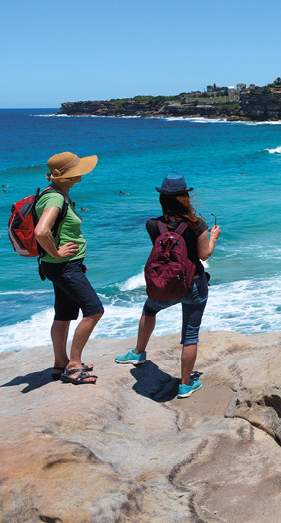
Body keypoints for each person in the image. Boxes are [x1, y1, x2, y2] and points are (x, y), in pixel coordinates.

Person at [115, 175, 221, 399]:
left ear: (162, 198)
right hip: (193, 286)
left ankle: (138, 353)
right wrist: (213, 238)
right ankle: (184, 384)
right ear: (185, 198)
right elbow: (204, 255)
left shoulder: (153, 225)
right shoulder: (197, 225)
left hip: (165, 285)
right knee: (190, 335)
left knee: (149, 310)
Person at [35, 152, 103, 385]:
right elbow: (41, 232)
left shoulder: (52, 193)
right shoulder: (55, 199)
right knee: (94, 310)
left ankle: (60, 363)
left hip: (61, 266)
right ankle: (73, 366)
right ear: (66, 176)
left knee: (63, 314)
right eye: (77, 170)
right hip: (63, 266)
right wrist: (56, 253)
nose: (82, 172)